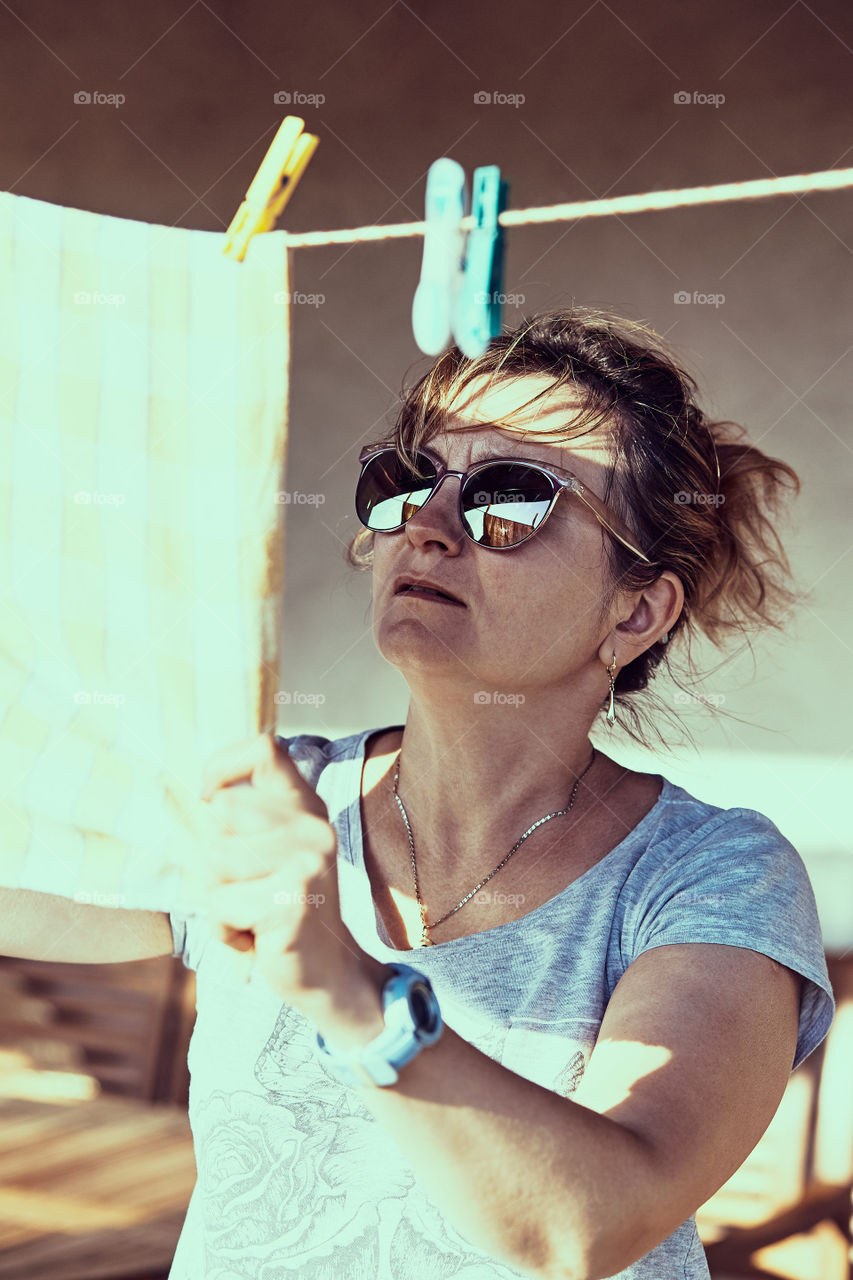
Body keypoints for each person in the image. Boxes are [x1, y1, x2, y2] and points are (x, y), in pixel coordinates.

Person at [2, 308, 835, 1280]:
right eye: (408, 482)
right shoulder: (270, 795)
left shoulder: (711, 872)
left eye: (512, 498)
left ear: (636, 608)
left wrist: (349, 987)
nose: (432, 526)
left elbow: (589, 1224)